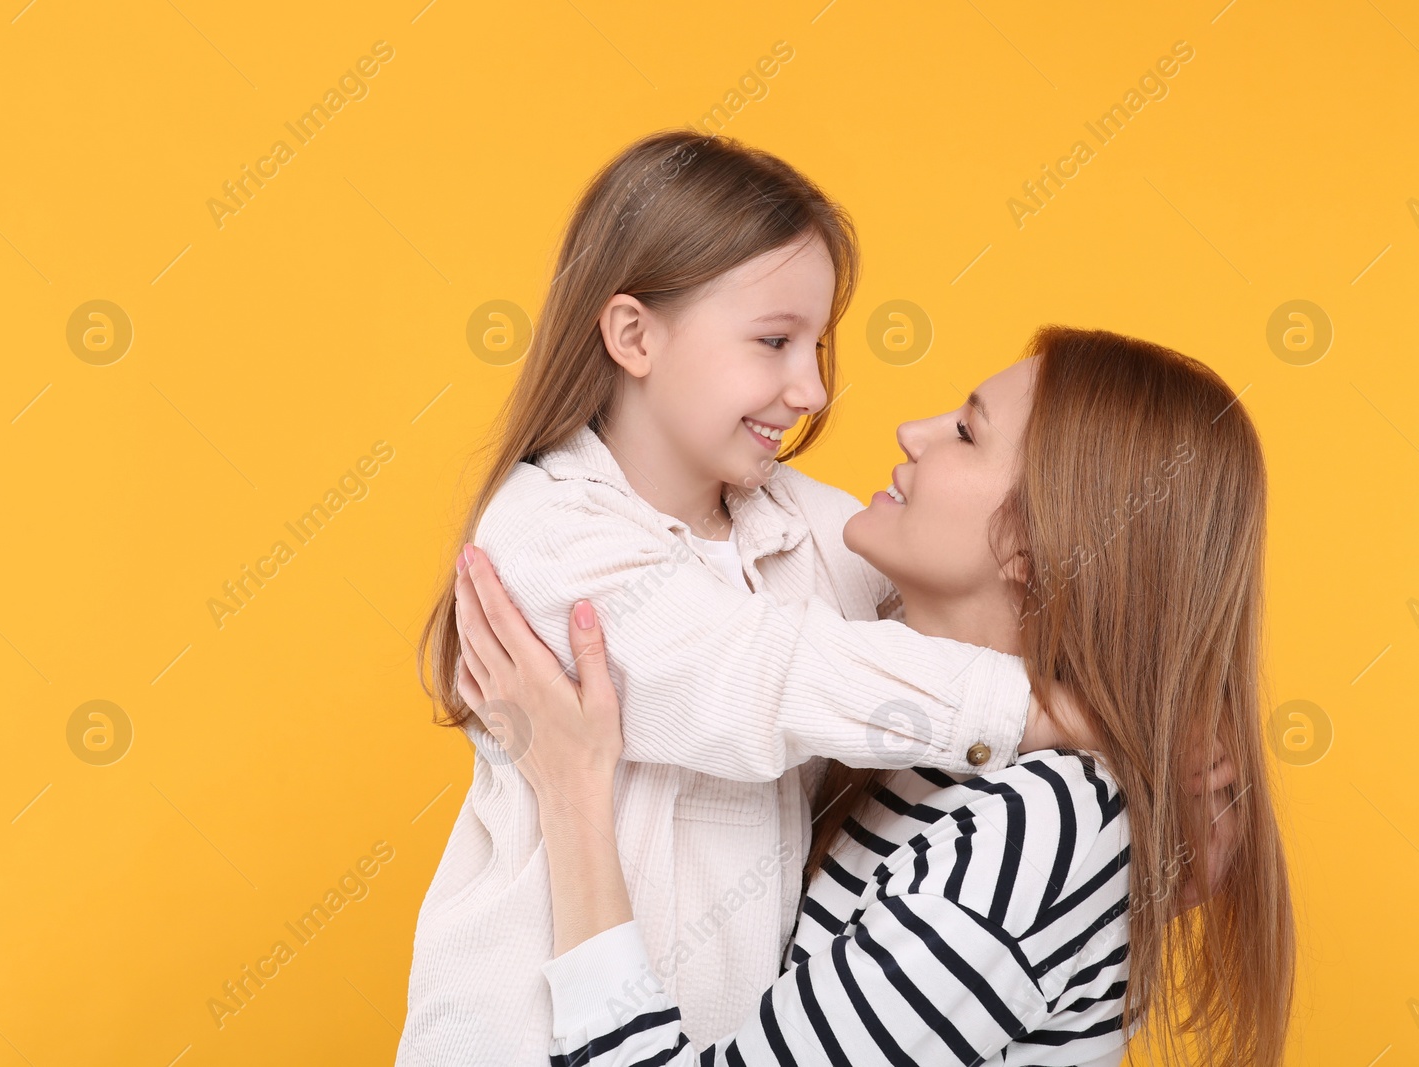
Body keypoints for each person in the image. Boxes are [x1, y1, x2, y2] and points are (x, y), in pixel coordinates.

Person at [399, 128, 1232, 1066]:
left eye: (817, 344)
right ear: (634, 335)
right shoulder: (548, 533)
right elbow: (752, 674)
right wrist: (1043, 709)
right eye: (773, 342)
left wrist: (1169, 744)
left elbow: (967, 601)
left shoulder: (797, 531)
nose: (814, 388)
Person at [454, 326, 1295, 1066]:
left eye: (966, 432)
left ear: (1038, 546)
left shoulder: (1045, 823)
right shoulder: (918, 742)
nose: (911, 431)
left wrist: (572, 794)